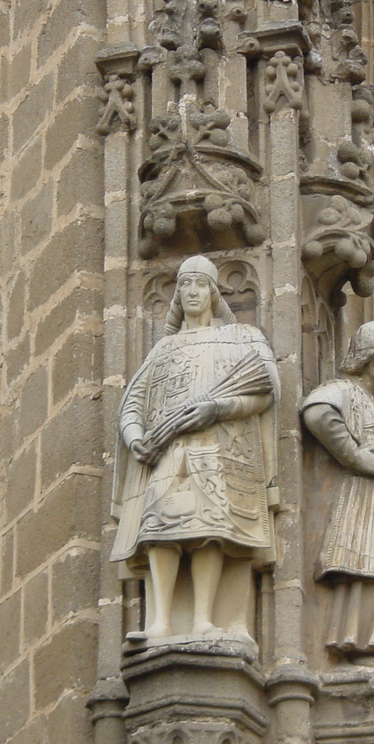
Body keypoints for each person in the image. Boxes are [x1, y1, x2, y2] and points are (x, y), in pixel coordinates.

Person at [112, 255, 278, 639]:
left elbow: (262, 393)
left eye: (199, 284)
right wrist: (135, 436)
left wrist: (217, 408)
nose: (191, 292)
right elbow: (133, 402)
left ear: (213, 292)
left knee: (208, 529)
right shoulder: (164, 349)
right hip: (166, 450)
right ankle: (160, 623)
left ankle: (204, 618)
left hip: (216, 449)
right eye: (184, 285)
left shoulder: (240, 338)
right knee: (158, 527)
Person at [301, 321, 374, 668]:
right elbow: (316, 412)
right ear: (366, 357)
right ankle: (355, 644)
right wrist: (353, 454)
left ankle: (373, 646)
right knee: (365, 569)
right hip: (359, 501)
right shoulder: (345, 389)